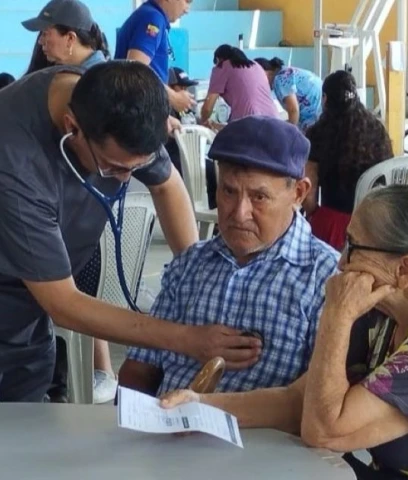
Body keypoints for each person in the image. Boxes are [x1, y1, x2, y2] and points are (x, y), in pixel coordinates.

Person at [0, 61, 262, 406]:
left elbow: (166, 185)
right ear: (72, 127)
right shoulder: (10, 163)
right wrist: (186, 338)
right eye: (114, 168)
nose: (125, 178)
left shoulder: (112, 104)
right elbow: (63, 303)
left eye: (136, 166)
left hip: (24, 307)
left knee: (25, 434)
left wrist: (197, 282)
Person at [161, 185, 408, 478]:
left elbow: (326, 431)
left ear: (404, 270)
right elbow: (301, 403)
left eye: (354, 246)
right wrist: (200, 407)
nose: (341, 261)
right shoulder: (382, 310)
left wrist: (335, 319)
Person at [119, 116, 340, 396]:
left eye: (259, 197)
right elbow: (140, 368)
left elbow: (319, 401)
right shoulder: (191, 265)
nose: (239, 213)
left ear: (298, 193)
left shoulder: (326, 279)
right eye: (228, 191)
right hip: (168, 431)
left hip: (261, 438)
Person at [22, 0, 120, 404]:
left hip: (79, 218)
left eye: (47, 33)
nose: (43, 41)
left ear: (70, 37)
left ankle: (88, 374)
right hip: (74, 216)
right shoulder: (69, 76)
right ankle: (90, 373)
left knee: (68, 290)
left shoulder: (94, 85)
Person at [303, 71, 393, 251]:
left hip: (335, 227)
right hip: (375, 223)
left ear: (325, 99)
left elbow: (309, 197)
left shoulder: (319, 134)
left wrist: (314, 214)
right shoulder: (377, 129)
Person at [115, 0, 195, 115]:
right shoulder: (152, 18)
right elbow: (135, 70)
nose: (187, 10)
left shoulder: (149, 15)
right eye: (187, 1)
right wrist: (173, 97)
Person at [200, 45, 278, 126]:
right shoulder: (256, 65)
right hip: (274, 120)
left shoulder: (222, 67)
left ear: (218, 59)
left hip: (251, 121)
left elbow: (207, 109)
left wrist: (202, 123)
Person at [254, 57, 323, 131]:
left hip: (315, 116)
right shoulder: (285, 71)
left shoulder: (280, 80)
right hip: (322, 109)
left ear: (266, 72)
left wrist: (288, 134)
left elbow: (294, 111)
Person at [165, 67, 198, 175]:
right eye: (181, 87)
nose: (185, 92)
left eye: (186, 88)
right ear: (169, 88)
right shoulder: (163, 110)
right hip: (172, 156)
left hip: (191, 154)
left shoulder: (186, 107)